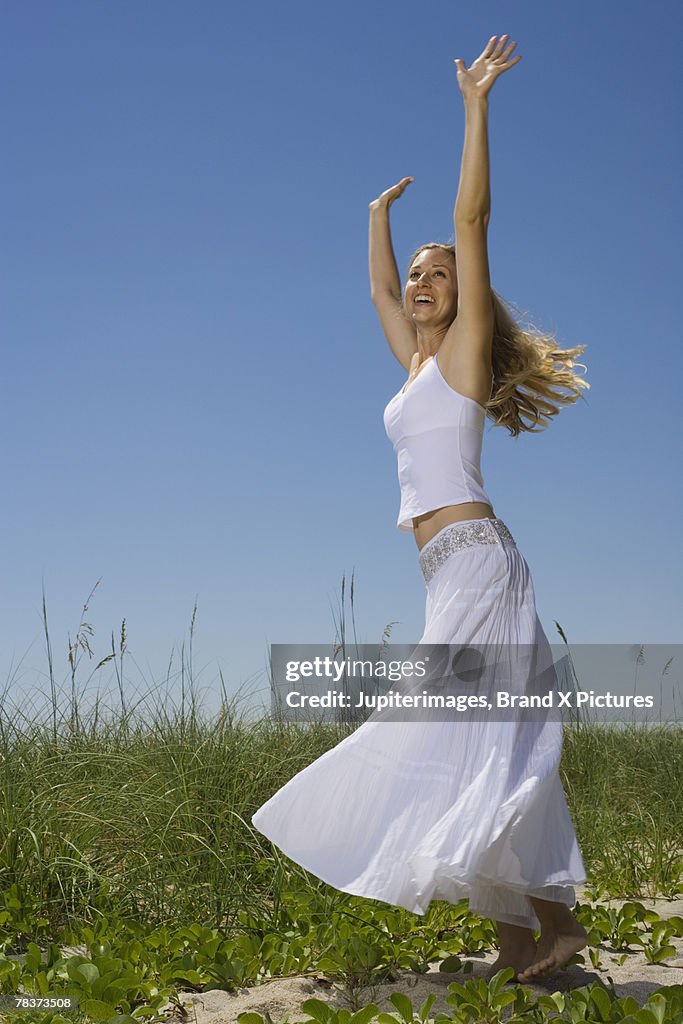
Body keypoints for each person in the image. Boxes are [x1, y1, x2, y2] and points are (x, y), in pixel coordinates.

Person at [253, 34, 590, 985]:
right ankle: (528, 941)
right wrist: (374, 220)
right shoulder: (411, 365)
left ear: (464, 293)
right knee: (473, 741)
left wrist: (475, 105)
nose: (421, 279)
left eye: (437, 273)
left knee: (447, 733)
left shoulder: (463, 355)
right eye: (420, 272)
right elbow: (372, 286)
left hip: (479, 560)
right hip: (451, 571)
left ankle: (549, 926)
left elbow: (473, 217)